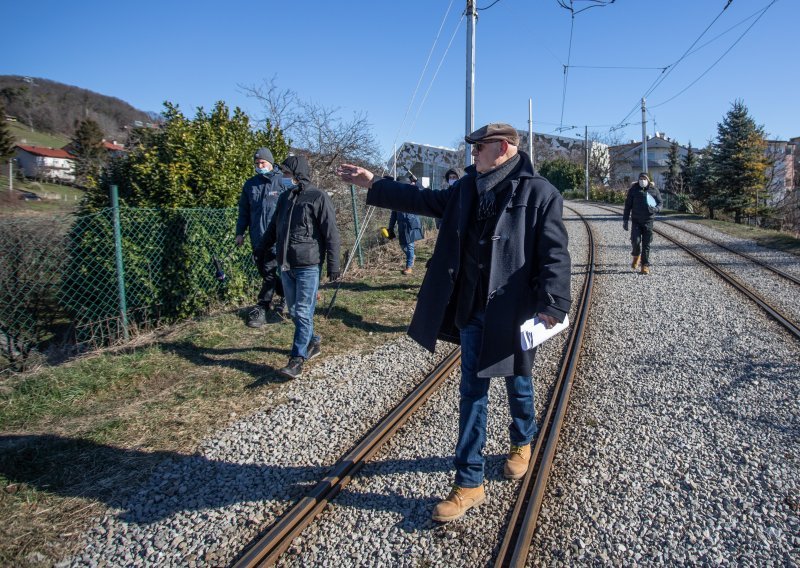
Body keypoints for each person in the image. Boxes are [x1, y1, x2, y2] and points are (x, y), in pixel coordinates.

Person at [336, 123, 571, 523]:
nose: (472, 155)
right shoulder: (465, 189)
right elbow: (422, 199)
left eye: (477, 148)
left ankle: (522, 440)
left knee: (519, 381)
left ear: (502, 147)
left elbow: (554, 251)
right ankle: (469, 482)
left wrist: (555, 301)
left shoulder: (540, 191)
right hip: (471, 309)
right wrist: (373, 182)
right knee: (471, 394)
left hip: (514, 311)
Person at [258, 155, 341, 380]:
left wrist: (334, 265)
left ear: (297, 175)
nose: (284, 178)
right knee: (294, 311)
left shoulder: (318, 197)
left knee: (303, 311)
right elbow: (274, 228)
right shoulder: (285, 198)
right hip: (286, 264)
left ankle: (297, 359)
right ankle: (313, 341)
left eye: (286, 174)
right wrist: (261, 248)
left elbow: (331, 233)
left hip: (308, 265)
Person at [236, 147, 286, 328]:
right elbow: (244, 212)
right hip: (257, 237)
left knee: (272, 272)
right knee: (265, 272)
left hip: (278, 237)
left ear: (271, 163)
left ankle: (263, 306)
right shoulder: (250, 185)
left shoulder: (282, 182)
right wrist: (240, 233)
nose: (259, 166)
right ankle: (286, 295)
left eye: (262, 162)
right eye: (257, 163)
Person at [622, 172, 663, 275]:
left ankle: (644, 265)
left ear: (648, 180)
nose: (642, 180)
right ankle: (636, 256)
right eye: (641, 178)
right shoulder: (633, 190)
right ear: (638, 179)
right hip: (636, 221)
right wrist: (625, 220)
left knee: (646, 244)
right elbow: (627, 206)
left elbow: (660, 203)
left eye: (644, 178)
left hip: (648, 221)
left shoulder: (654, 190)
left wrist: (657, 209)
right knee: (635, 241)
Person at [387, 185, 424, 274]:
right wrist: (390, 228)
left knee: (409, 245)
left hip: (411, 224)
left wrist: (415, 185)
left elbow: (422, 193)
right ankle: (412, 257)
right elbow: (393, 216)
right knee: (403, 245)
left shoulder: (412, 195)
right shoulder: (395, 200)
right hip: (402, 225)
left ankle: (409, 267)